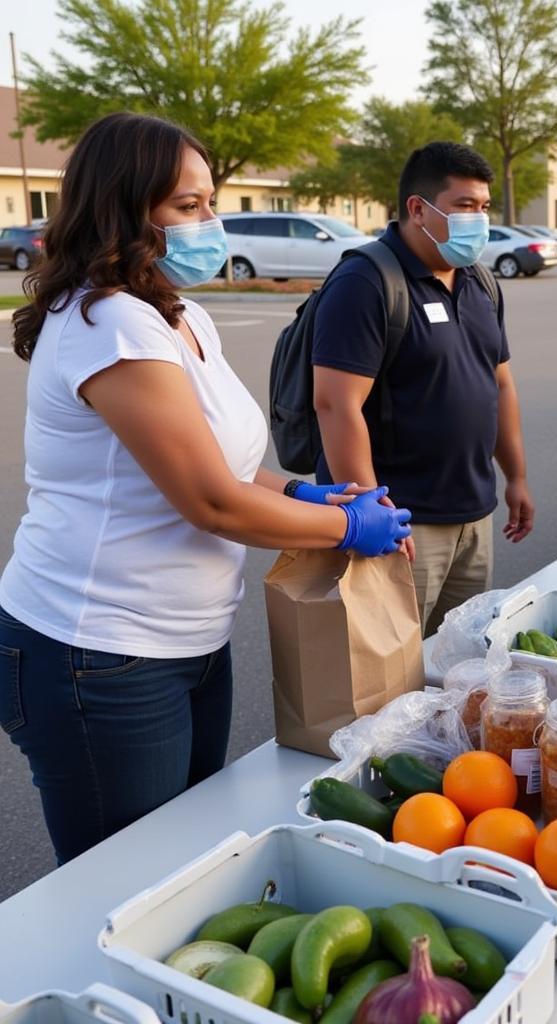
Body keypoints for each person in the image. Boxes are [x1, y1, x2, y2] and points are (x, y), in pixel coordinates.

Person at [0, 113, 412, 866]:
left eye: (209, 203)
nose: (210, 224)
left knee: (185, 856)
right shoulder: (111, 325)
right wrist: (349, 531)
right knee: (124, 878)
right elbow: (210, 501)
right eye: (187, 207)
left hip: (184, 639)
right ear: (125, 211)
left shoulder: (176, 314)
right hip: (97, 650)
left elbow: (222, 465)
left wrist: (303, 492)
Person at [311, 142, 534, 636]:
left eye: (483, 207)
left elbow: (500, 382)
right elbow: (335, 403)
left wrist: (515, 475)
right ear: (419, 208)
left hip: (473, 516)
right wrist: (369, 513)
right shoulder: (365, 282)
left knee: (453, 666)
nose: (479, 219)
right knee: (389, 677)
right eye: (464, 206)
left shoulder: (480, 281)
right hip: (403, 524)